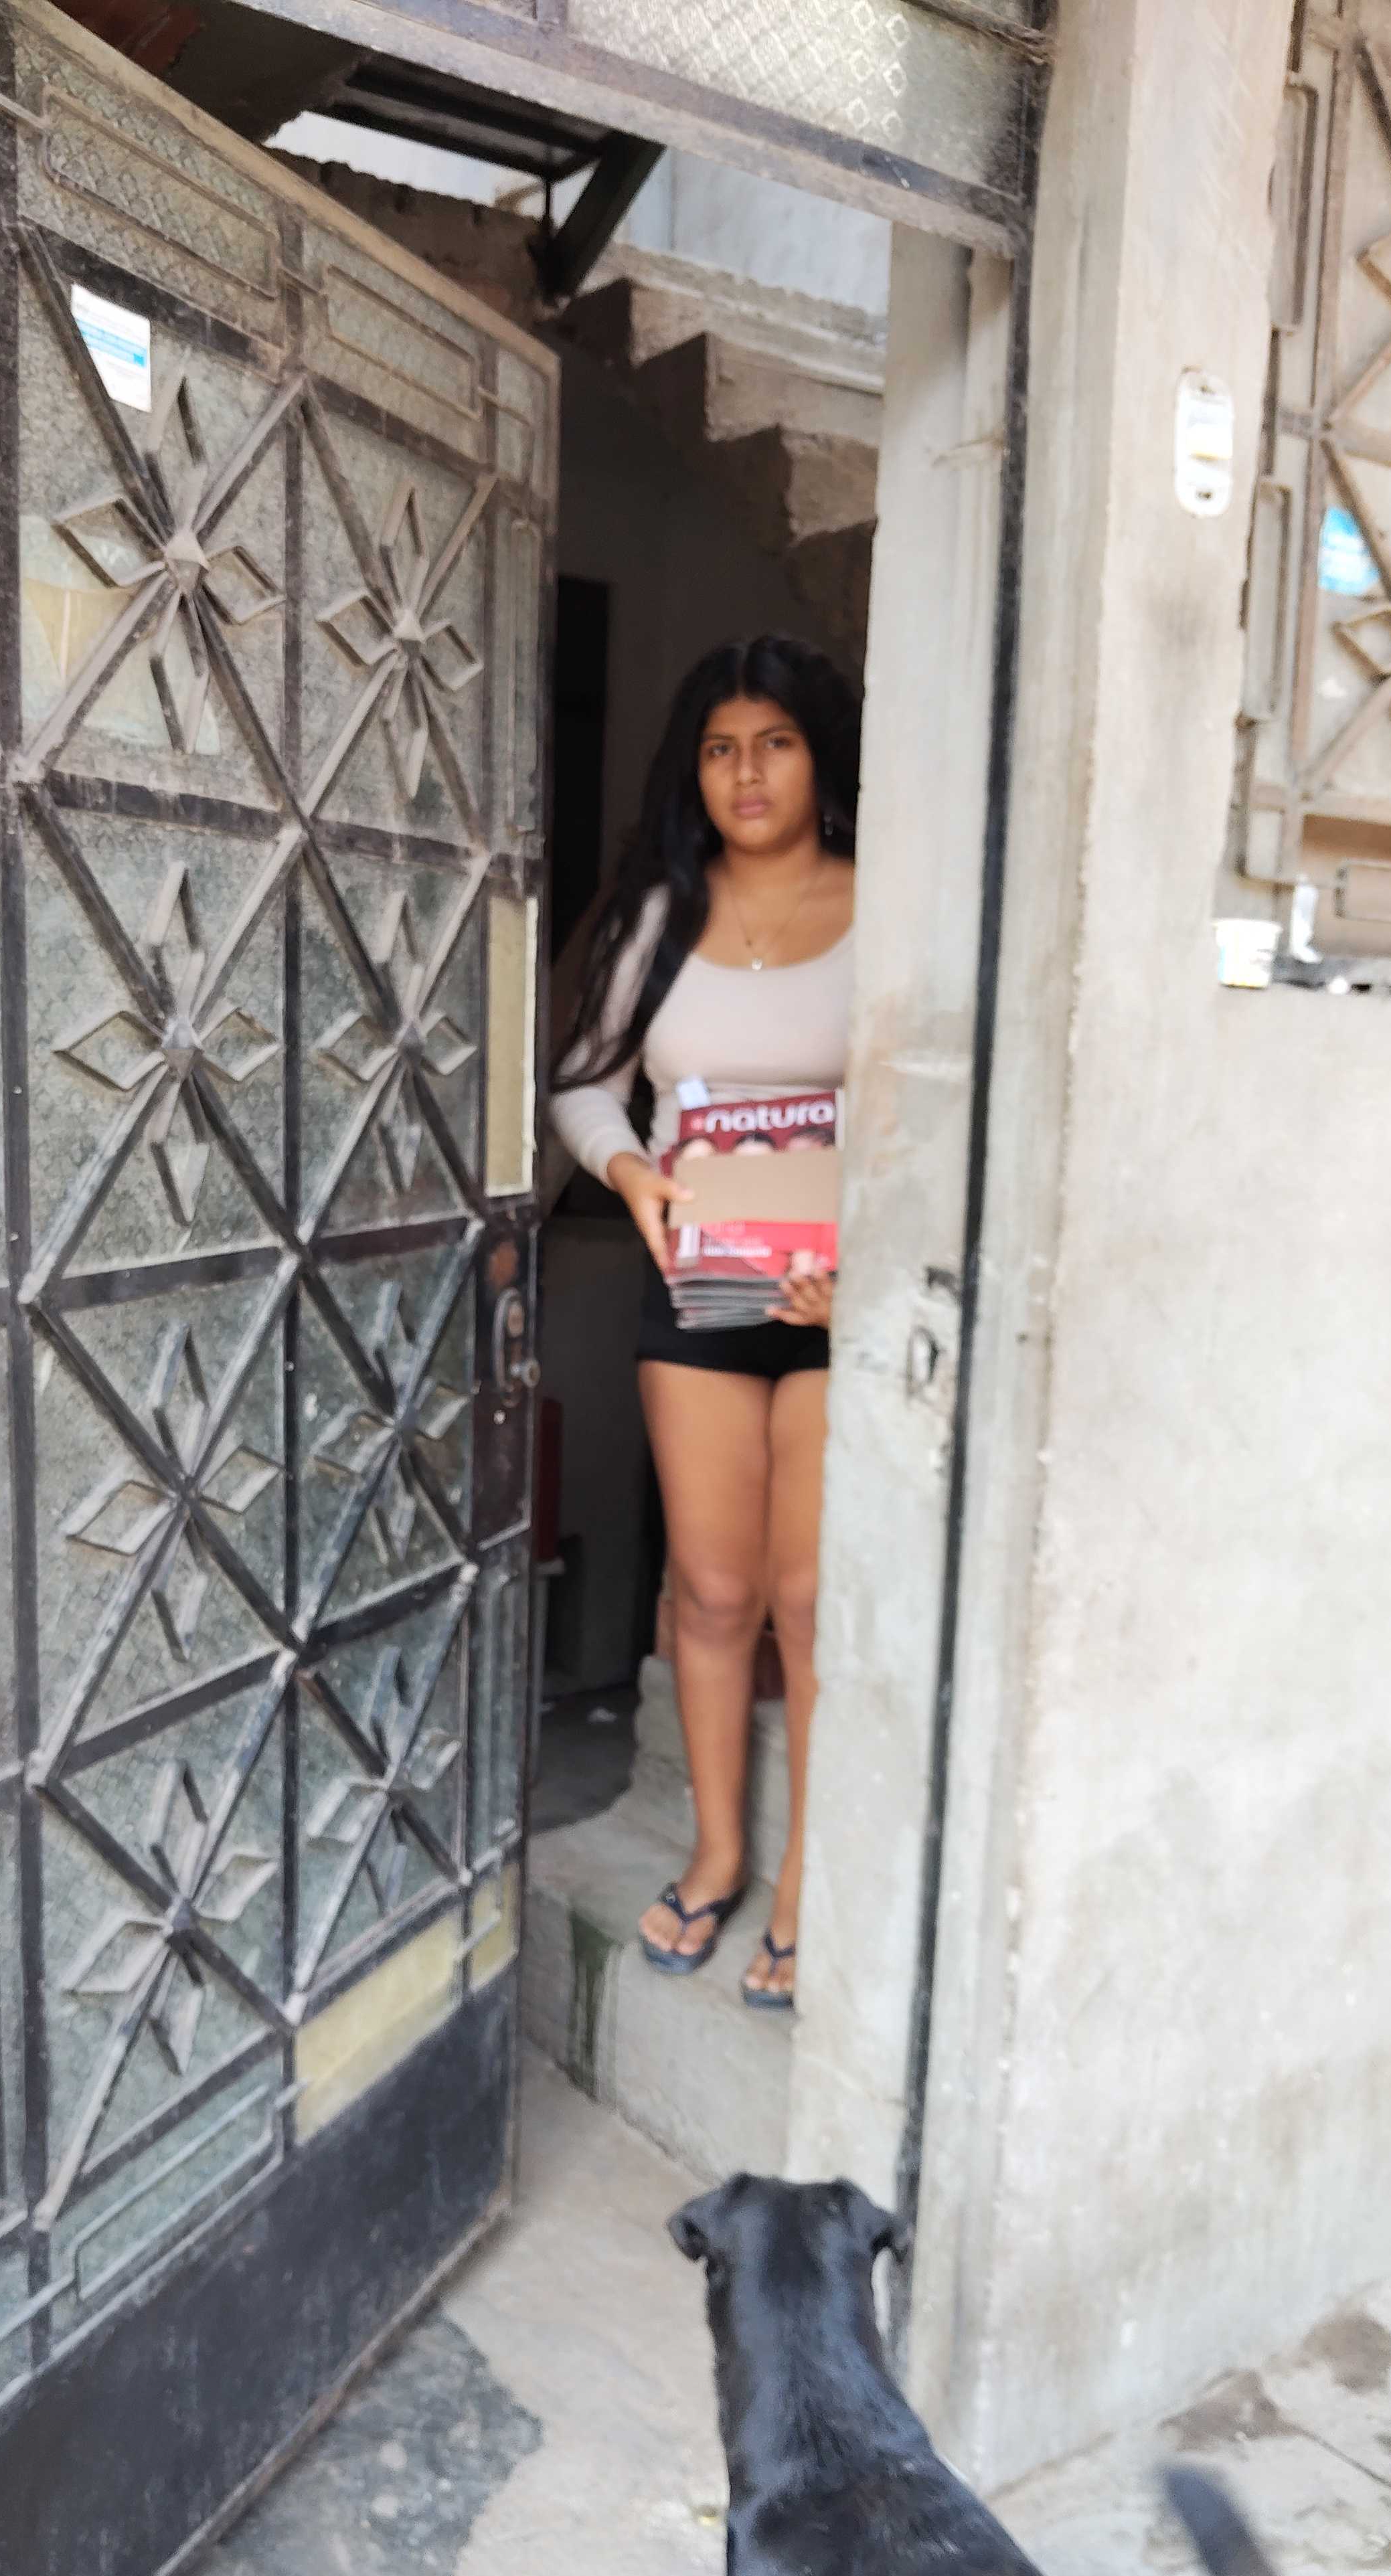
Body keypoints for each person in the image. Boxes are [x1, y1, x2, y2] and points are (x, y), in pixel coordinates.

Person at [548, 635, 858, 2014]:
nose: (748, 772)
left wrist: (877, 1266)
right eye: (723, 747)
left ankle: (806, 1886)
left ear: (818, 757)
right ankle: (721, 1851)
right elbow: (584, 1084)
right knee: (717, 1593)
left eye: (775, 742)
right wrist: (631, 1176)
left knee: (810, 1599)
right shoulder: (660, 918)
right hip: (700, 1289)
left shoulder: (887, 906)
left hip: (844, 1302)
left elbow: (939, 1101)